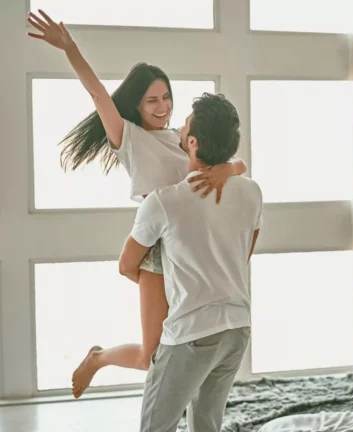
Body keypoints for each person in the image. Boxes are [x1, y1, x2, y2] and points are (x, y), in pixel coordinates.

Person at [26, 9, 248, 398]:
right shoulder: (128, 137)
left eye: (166, 97)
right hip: (158, 248)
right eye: (151, 101)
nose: (162, 107)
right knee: (153, 355)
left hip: (193, 242)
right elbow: (97, 92)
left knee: (192, 341)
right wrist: (69, 48)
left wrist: (227, 171)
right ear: (136, 105)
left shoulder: (184, 137)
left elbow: (239, 162)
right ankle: (97, 358)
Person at [120, 93, 262, 432]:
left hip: (191, 333)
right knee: (206, 425)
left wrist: (170, 284)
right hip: (236, 328)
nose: (179, 128)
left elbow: (127, 265)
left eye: (184, 125)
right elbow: (245, 252)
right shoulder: (252, 192)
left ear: (193, 141)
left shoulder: (163, 202)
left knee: (156, 427)